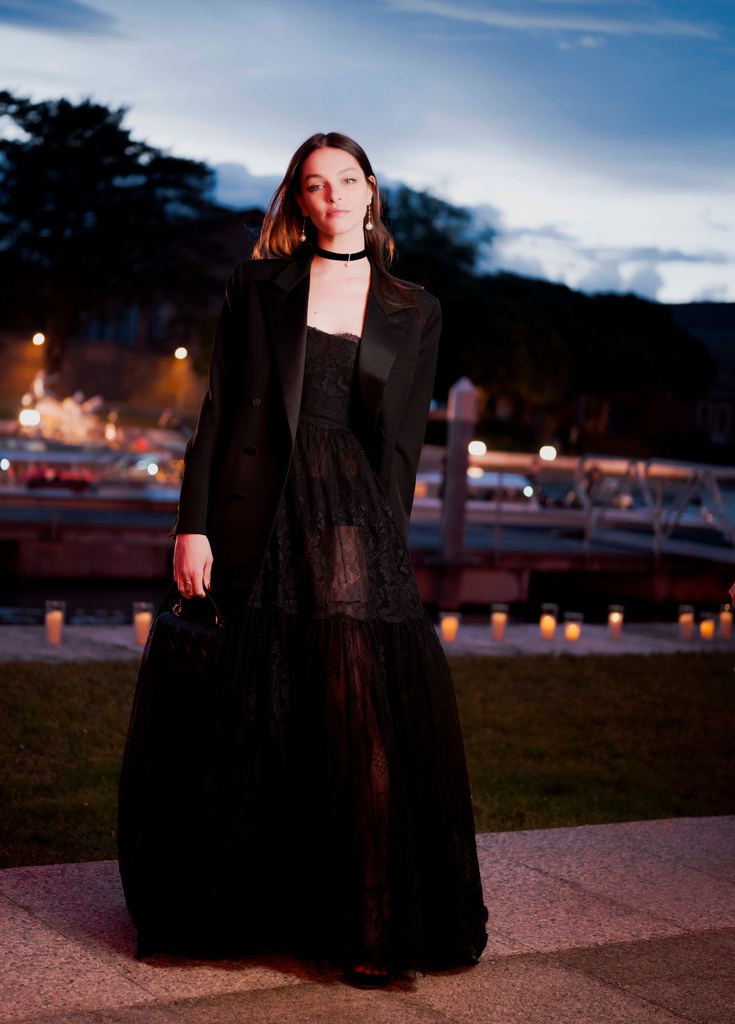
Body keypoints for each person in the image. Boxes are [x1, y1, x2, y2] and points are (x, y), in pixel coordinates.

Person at [118, 131, 488, 987]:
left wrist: (387, 541)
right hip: (258, 513)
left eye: (344, 182)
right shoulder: (257, 285)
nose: (330, 198)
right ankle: (251, 909)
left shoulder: (413, 306)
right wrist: (192, 525)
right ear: (297, 199)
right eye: (313, 185)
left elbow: (401, 443)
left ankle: (367, 921)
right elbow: (215, 414)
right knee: (255, 708)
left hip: (354, 514)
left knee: (358, 704)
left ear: (370, 192)